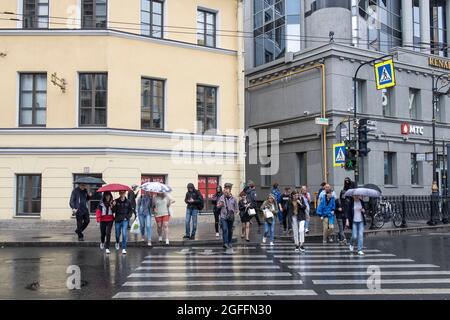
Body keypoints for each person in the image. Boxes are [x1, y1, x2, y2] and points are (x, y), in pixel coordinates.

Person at [217, 183, 239, 250]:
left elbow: (237, 209)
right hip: (223, 217)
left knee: (230, 231)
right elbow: (217, 206)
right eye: (225, 189)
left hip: (231, 217)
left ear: (230, 190)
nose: (225, 190)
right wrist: (220, 205)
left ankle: (229, 242)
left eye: (227, 189)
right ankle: (225, 243)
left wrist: (235, 214)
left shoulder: (234, 199)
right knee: (225, 229)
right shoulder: (221, 197)